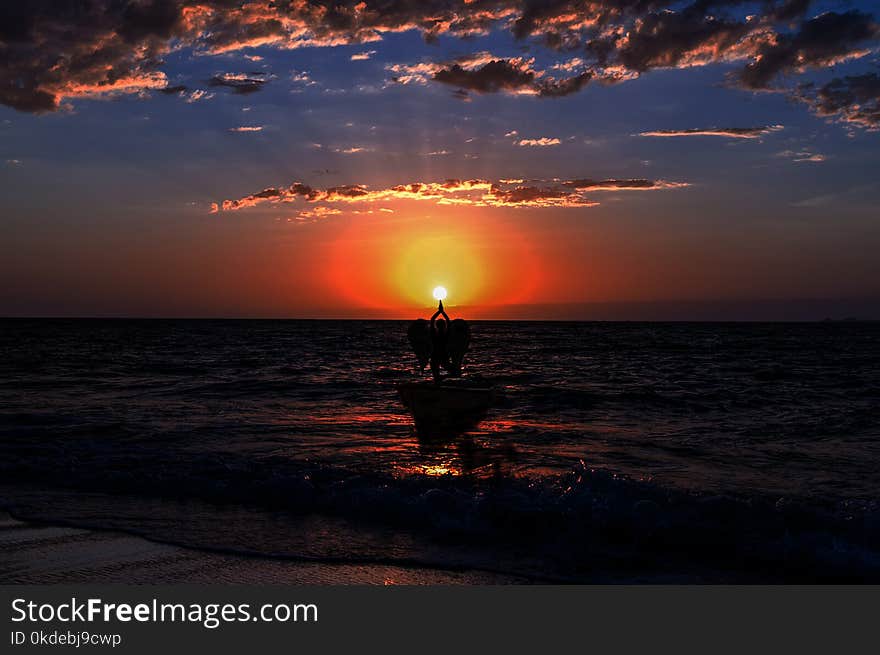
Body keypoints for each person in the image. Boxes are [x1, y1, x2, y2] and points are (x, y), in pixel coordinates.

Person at [429, 299, 451, 381]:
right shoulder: (446, 334)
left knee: (436, 375)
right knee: (453, 372)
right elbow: (448, 322)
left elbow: (431, 320)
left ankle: (440, 381)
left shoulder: (434, 334)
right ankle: (442, 380)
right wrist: (442, 312)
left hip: (436, 356)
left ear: (437, 325)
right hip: (442, 356)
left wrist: (439, 311)